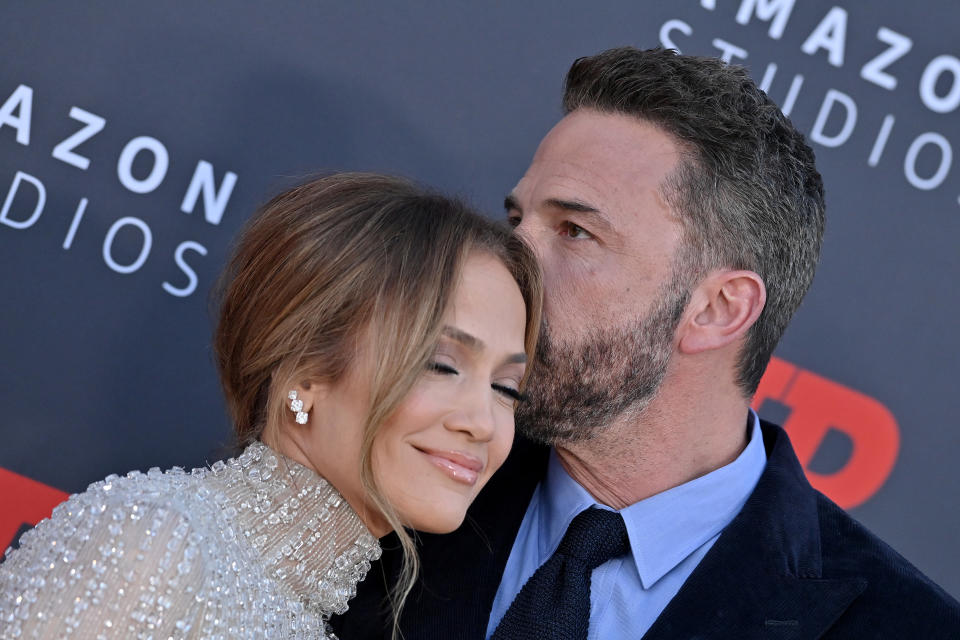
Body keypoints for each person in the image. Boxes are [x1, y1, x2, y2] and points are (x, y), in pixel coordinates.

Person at [332, 48, 960, 639]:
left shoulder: (906, 625)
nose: (508, 263)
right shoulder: (380, 458)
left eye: (574, 231)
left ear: (717, 309)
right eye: (516, 220)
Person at [0, 173, 543, 639]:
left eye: (506, 388)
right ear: (305, 370)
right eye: (442, 365)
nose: (482, 423)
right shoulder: (154, 545)